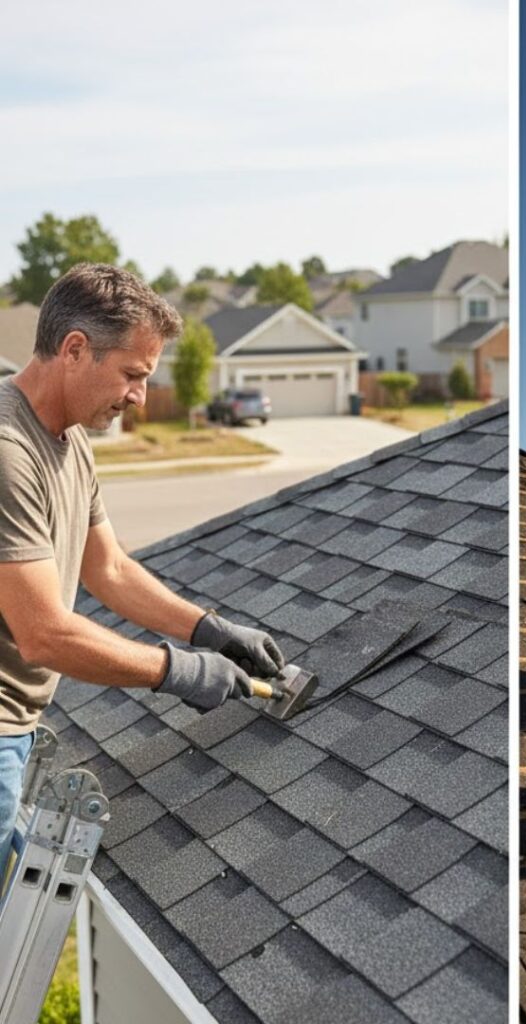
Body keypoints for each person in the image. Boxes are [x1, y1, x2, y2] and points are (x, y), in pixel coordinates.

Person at [0, 264, 285, 878]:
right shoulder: (7, 451)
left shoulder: (68, 439)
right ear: (75, 349)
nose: (140, 397)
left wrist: (210, 630)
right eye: (133, 374)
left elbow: (109, 569)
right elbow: (44, 634)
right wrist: (181, 671)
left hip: (15, 728)